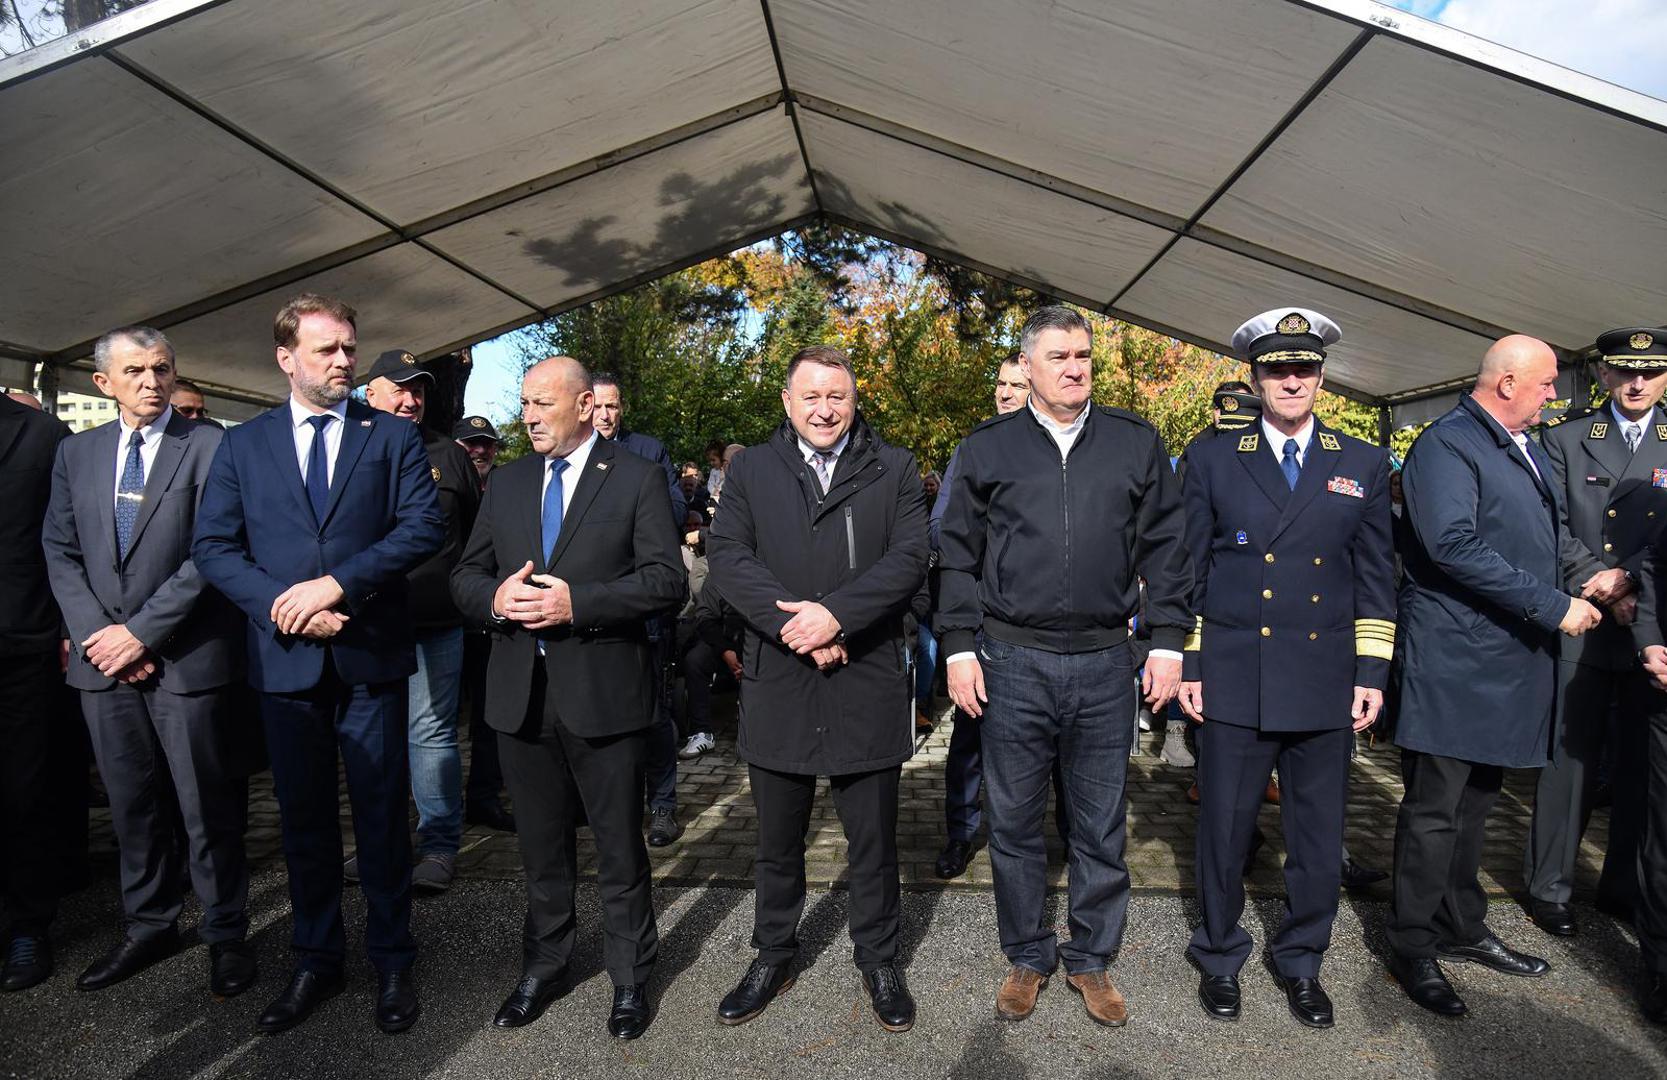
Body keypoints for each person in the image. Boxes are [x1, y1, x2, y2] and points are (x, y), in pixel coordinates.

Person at [192, 293, 443, 1036]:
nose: (343, 361)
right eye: (327, 349)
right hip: (286, 661)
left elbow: (422, 527)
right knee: (302, 822)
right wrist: (284, 604)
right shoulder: (243, 444)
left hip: (369, 654)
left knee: (380, 816)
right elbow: (214, 547)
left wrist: (339, 586)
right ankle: (314, 959)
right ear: (286, 357)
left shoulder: (389, 437)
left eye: (347, 347)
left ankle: (393, 956)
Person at [937, 306, 1192, 1028]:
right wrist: (958, 647)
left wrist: (1168, 640)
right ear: (1027, 367)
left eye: (1083, 355)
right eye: (1058, 356)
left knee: (1098, 822)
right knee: (1014, 821)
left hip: (1106, 661)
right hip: (1010, 662)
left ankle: (1090, 959)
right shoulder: (986, 449)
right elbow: (954, 554)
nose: (1074, 367)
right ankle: (1026, 954)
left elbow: (1167, 549)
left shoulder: (1134, 443)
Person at [450, 356, 684, 1040]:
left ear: (585, 406)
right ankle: (545, 965)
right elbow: (465, 575)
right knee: (541, 849)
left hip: (604, 696)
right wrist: (493, 598)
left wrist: (579, 604)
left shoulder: (636, 477)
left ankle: (631, 977)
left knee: (618, 849)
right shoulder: (511, 482)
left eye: (542, 403)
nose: (527, 416)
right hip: (519, 697)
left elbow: (667, 581)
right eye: (523, 402)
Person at [1176, 309, 1395, 1028]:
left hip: (1324, 677)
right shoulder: (1210, 457)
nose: (1291, 380)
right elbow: (1188, 569)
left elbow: (1375, 578)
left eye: (1303, 368)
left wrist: (1370, 672)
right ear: (1254, 376)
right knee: (1225, 832)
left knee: (1314, 835)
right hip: (1235, 673)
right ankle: (1217, 954)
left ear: (1322, 377)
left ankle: (1302, 961)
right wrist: (1189, 662)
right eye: (1277, 368)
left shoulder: (1360, 461)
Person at [707, 345, 929, 1033]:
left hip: (863, 675)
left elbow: (909, 558)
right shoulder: (750, 470)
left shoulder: (892, 468)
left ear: (854, 399)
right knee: (776, 840)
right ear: (786, 401)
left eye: (836, 395)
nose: (824, 408)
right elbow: (728, 558)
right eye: (810, 396)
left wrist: (838, 616)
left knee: (872, 842)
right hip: (781, 677)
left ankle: (880, 957)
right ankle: (772, 952)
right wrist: (799, 627)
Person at [1386, 334, 1602, 1017]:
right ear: (1506, 382)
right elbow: (1452, 545)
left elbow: (1544, 534)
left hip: (1501, 661)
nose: (1551, 397)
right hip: (1454, 662)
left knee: (1475, 807)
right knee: (1434, 813)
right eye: (1543, 386)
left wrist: (1592, 575)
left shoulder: (1520, 444)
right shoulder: (1447, 444)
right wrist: (1551, 605)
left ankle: (1461, 924)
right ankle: (1410, 942)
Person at [42, 328, 253, 998]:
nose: (151, 381)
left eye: (161, 368)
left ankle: (225, 934)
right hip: (103, 663)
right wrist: (100, 635)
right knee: (131, 804)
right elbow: (58, 548)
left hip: (187, 657)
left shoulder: (213, 445)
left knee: (205, 805)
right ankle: (150, 924)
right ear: (103, 383)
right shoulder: (76, 453)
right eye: (134, 371)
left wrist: (141, 633)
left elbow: (214, 551)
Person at [1523, 327, 1667, 936]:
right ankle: (1549, 886)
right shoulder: (1564, 439)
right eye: (1625, 371)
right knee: (1569, 759)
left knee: (1643, 762)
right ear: (1604, 374)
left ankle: (1624, 885)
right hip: (1583, 615)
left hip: (1653, 624)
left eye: (1651, 371)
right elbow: (1549, 524)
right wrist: (1602, 582)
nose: (1637, 382)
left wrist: (1633, 582)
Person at [928, 353, 1071, 881]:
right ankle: (962, 833)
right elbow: (942, 531)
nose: (1007, 393)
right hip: (986, 625)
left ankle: (1070, 838)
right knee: (970, 736)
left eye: (1017, 384)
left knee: (1057, 745)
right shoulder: (977, 449)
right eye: (1001, 385)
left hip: (1050, 631)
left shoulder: (1065, 447)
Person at [362, 350, 481, 895]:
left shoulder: (450, 457)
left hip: (436, 621)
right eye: (399, 389)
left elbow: (479, 535)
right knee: (375, 737)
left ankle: (437, 845)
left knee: (431, 734)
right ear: (372, 393)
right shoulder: (350, 449)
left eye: (419, 390)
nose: (410, 400)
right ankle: (381, 844)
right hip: (366, 621)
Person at [591, 373, 687, 847]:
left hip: (644, 607)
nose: (606, 416)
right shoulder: (571, 457)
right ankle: (610, 804)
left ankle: (663, 805)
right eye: (599, 407)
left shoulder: (648, 451)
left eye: (614, 406)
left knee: (654, 710)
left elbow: (671, 514)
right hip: (590, 606)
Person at [0, 389, 71, 992]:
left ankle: (28, 925)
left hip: (23, 642)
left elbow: (70, 543)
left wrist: (71, 627)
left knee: (25, 789)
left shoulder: (41, 435)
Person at [452, 415, 513, 830]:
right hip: (442, 620)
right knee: (434, 725)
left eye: (487, 444)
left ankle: (483, 797)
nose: (480, 451)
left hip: (489, 623)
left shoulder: (509, 488)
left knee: (489, 718)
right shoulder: (431, 482)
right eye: (471, 444)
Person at [915, 469, 944, 733]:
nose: (929, 488)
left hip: (923, 605)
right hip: (895, 614)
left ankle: (920, 706)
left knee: (929, 647)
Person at [454, 414, 500, 491]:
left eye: (487, 443)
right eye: (472, 442)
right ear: (453, 446)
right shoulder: (440, 483)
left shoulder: (509, 483)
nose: (481, 450)